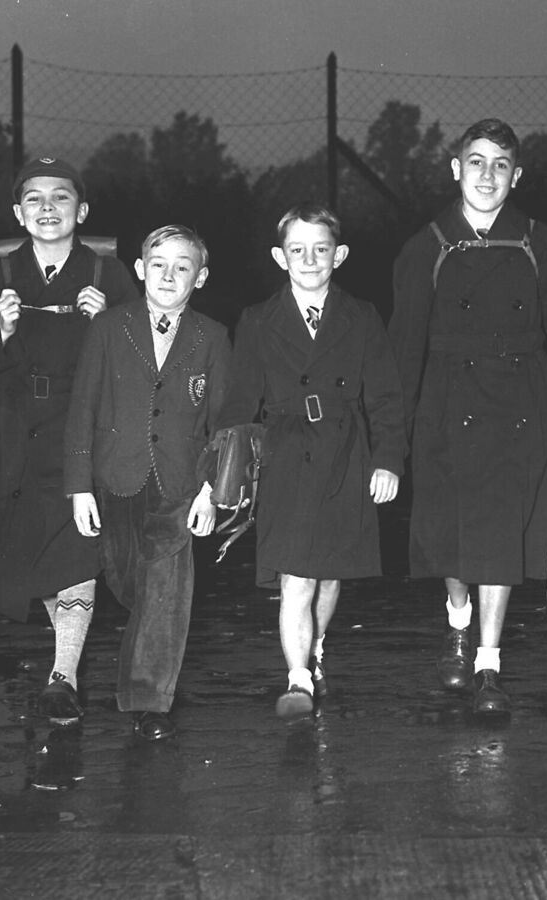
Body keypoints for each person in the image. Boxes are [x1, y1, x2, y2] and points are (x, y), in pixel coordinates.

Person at [390, 118, 547, 715]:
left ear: (516, 176)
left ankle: (489, 663)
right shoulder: (424, 246)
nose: (487, 175)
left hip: (520, 405)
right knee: (451, 536)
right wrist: (393, 437)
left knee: (500, 534)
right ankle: (457, 618)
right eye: (476, 162)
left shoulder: (544, 246)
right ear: (455, 169)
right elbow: (404, 348)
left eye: (500, 165)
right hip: (445, 406)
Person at [0, 157, 139, 725]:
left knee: (76, 544)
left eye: (60, 198)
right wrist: (1, 332)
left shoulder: (107, 274)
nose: (47, 208)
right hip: (13, 429)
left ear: (81, 211)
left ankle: (63, 674)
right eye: (34, 199)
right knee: (30, 546)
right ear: (18, 213)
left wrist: (108, 321)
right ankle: (61, 657)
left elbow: (142, 355)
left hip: (80, 425)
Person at [217, 203, 405, 720]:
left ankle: (315, 647)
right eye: (297, 250)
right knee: (296, 576)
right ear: (280, 257)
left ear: (339, 255)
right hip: (285, 457)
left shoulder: (362, 317)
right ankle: (297, 677)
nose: (309, 259)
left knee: (329, 574)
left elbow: (386, 397)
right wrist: (225, 474)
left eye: (320, 249)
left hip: (347, 453)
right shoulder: (257, 321)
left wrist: (387, 460)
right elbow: (238, 404)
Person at [63, 225, 231, 740]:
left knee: (167, 588)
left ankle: (146, 700)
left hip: (182, 482)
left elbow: (222, 421)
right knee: (126, 578)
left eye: (183, 266)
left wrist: (212, 490)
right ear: (139, 269)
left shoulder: (212, 336)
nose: (169, 275)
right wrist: (79, 487)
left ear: (199, 278)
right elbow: (82, 409)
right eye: (158, 264)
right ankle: (148, 650)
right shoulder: (110, 329)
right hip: (118, 477)